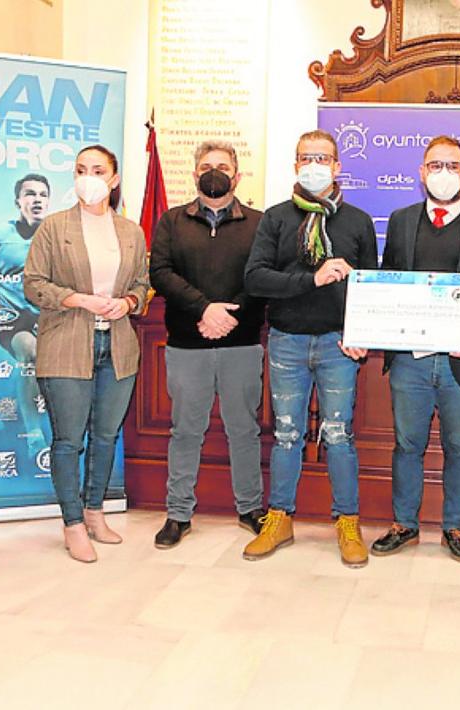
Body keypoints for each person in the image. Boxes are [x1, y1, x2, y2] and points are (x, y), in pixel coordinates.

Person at [368, 136, 460, 563]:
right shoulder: (400, 221)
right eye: (436, 164)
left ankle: (454, 527)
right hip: (410, 362)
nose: (444, 173)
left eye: (453, 165)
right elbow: (387, 284)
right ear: (421, 172)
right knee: (407, 444)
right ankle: (404, 524)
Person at [242, 129, 378, 567]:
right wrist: (311, 278)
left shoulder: (357, 221)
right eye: (306, 157)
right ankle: (279, 518)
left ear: (338, 166)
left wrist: (361, 334)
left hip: (339, 345)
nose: (314, 165)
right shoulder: (276, 218)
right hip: (286, 341)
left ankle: (348, 521)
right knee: (286, 435)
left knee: (338, 435)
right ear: (295, 165)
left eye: (323, 158)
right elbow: (256, 278)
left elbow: (372, 289)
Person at [24, 145, 149, 563]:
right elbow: (33, 284)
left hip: (117, 345)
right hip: (66, 344)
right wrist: (77, 298)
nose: (88, 177)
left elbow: (143, 284)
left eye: (98, 170)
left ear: (113, 179)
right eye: (81, 170)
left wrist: (129, 302)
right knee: (67, 440)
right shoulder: (53, 227)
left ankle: (95, 511)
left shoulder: (130, 231)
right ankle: (72, 523)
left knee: (106, 435)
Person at [150, 140, 267, 548]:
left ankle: (251, 508)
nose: (213, 171)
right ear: (195, 174)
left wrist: (227, 317)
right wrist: (204, 310)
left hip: (242, 344)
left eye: (222, 165)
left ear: (237, 176)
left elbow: (262, 276)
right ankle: (178, 513)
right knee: (185, 431)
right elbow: (160, 272)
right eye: (205, 165)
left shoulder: (259, 222)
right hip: (187, 343)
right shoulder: (171, 221)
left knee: (244, 430)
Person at [0, 173, 51, 457]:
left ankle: (4, 422)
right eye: (30, 194)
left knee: (42, 376)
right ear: (18, 201)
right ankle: (33, 434)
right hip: (10, 318)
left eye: (42, 194)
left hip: (47, 318)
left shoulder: (55, 235)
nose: (36, 199)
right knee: (30, 353)